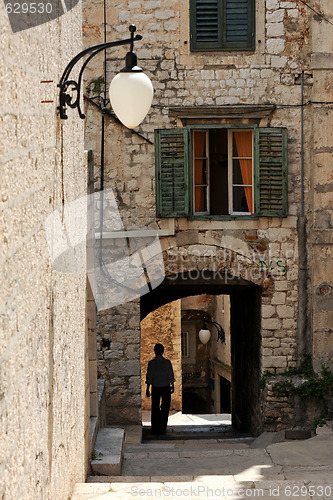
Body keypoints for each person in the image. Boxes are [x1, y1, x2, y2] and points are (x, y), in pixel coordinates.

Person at [145, 343, 175, 435]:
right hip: (165, 387)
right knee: (165, 408)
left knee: (155, 407)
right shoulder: (167, 362)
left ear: (154, 351)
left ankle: (155, 428)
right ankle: (162, 427)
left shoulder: (151, 363)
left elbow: (149, 377)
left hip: (156, 387)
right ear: (163, 351)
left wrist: (147, 388)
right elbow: (170, 375)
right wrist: (172, 385)